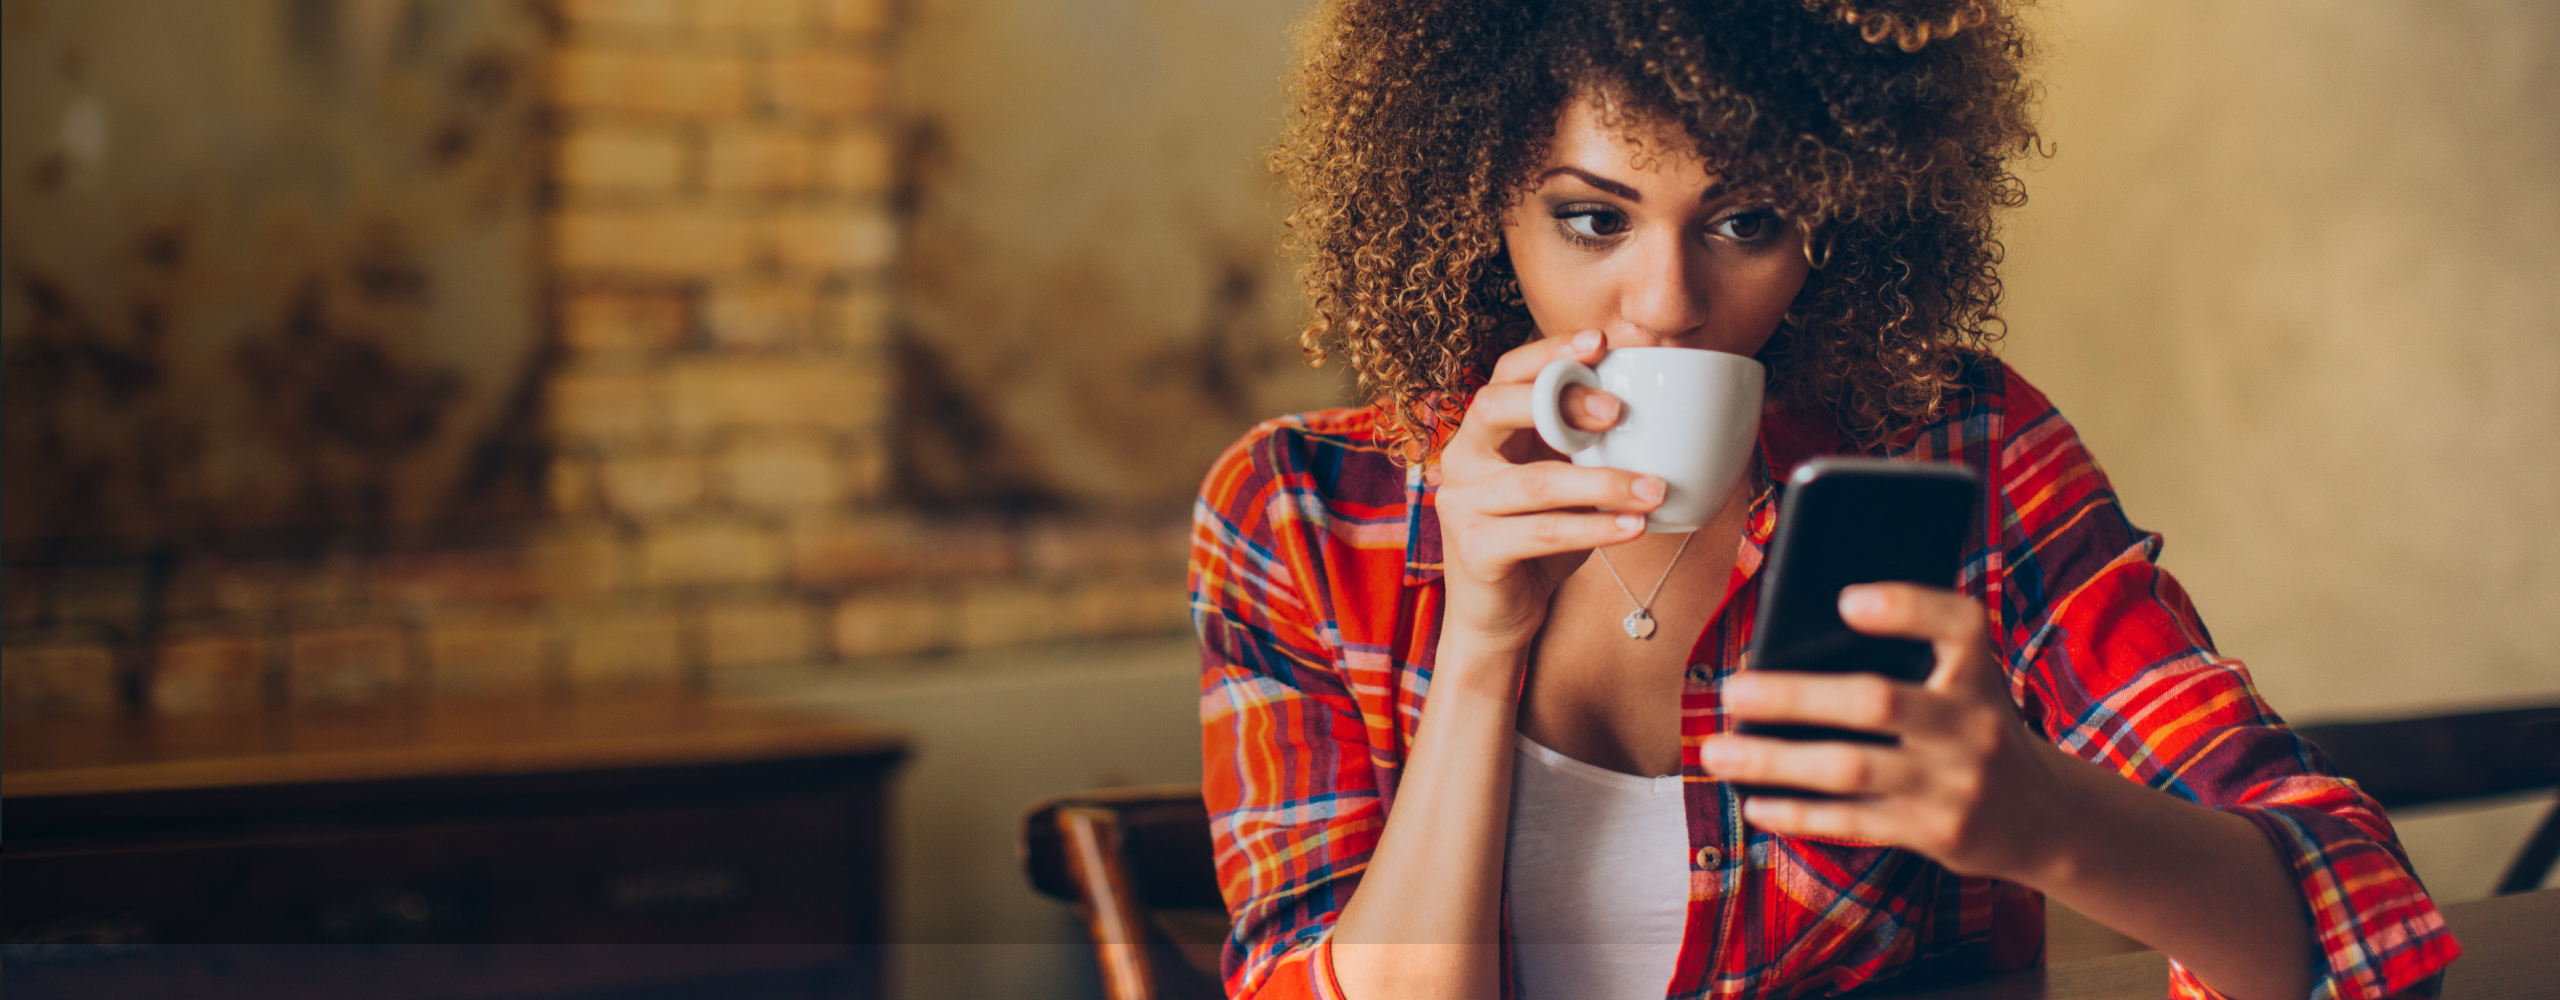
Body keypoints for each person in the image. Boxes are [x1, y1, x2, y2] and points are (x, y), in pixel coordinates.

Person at [1189, 1, 2459, 998]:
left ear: (1840, 221)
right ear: (1477, 202)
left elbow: (2358, 919)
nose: (1668, 303)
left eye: (1745, 220)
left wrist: (2041, 812)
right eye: (1592, 220)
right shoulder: (1300, 516)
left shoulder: (1956, 450)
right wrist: (1478, 643)